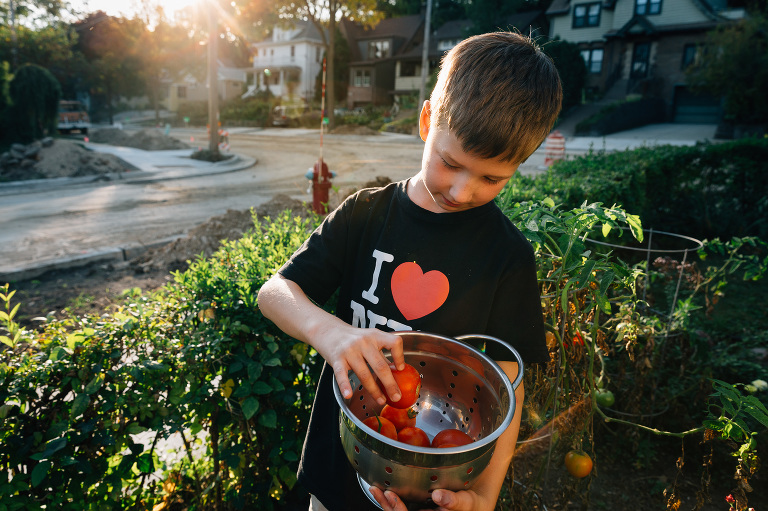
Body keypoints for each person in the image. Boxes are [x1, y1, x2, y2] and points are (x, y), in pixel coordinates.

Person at [257, 31, 562, 511]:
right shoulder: (365, 214)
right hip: (337, 471)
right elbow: (274, 292)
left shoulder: (508, 257)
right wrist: (332, 335)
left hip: (429, 488)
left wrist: (482, 498)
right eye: (451, 163)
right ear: (426, 122)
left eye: (491, 178)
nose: (462, 190)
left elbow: (507, 391)